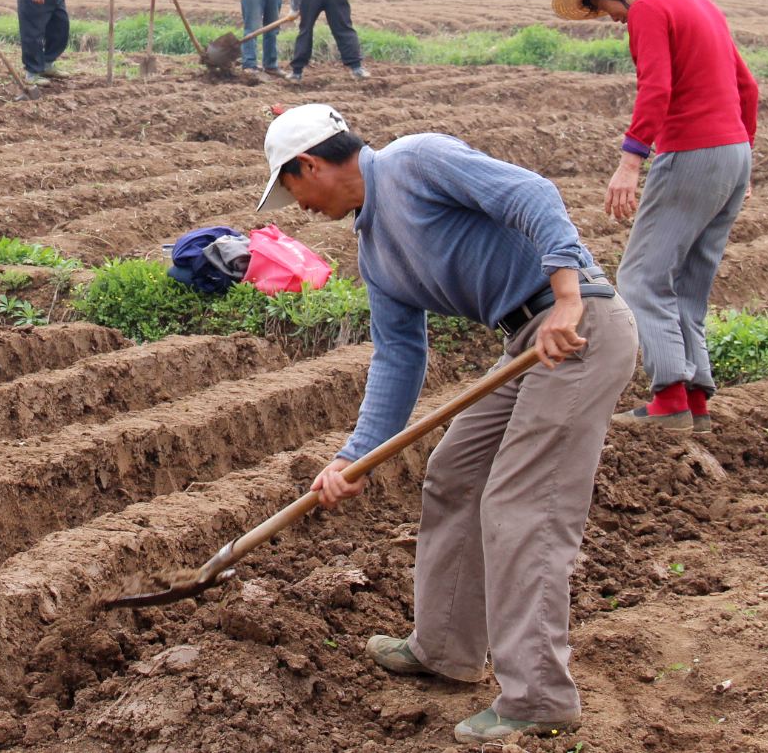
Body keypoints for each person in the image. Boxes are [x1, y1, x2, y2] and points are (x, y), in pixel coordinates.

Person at [257, 103, 637, 745]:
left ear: (310, 165)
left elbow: (531, 194)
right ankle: (444, 649)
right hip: (523, 342)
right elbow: (400, 356)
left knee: (523, 505)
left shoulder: (414, 160)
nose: (294, 205)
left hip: (576, 331)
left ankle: (539, 697)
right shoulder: (375, 250)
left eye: (288, 186)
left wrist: (569, 294)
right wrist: (355, 455)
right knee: (454, 474)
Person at [552, 0, 757, 434]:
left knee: (643, 276)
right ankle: (694, 398)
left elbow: (657, 89)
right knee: (688, 280)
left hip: (690, 151)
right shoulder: (696, 0)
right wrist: (741, 156)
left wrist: (630, 163)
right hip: (733, 153)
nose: (612, 20)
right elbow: (747, 85)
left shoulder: (647, 10)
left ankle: (667, 398)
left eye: (604, 9)